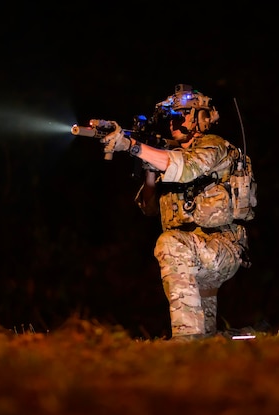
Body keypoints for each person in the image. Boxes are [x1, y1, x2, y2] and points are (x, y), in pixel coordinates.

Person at [101, 84, 255, 341]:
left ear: (200, 118)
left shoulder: (214, 147)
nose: (172, 122)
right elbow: (149, 207)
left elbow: (185, 169)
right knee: (209, 338)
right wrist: (149, 169)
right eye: (170, 116)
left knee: (169, 243)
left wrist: (131, 145)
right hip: (195, 253)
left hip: (222, 246)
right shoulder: (172, 154)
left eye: (181, 114)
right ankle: (217, 343)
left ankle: (186, 340)